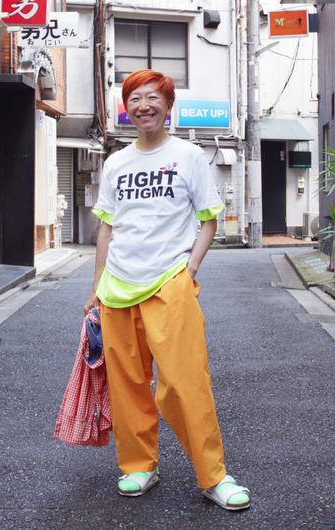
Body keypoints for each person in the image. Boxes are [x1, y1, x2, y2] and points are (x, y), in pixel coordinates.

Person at [83, 69, 250, 511]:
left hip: (169, 282)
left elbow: (209, 219)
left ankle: (213, 476)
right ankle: (139, 466)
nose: (143, 106)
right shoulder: (116, 162)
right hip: (117, 286)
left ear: (167, 104)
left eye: (152, 97)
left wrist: (189, 269)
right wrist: (95, 288)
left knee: (184, 383)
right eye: (135, 98)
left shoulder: (189, 155)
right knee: (127, 385)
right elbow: (106, 230)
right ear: (127, 107)